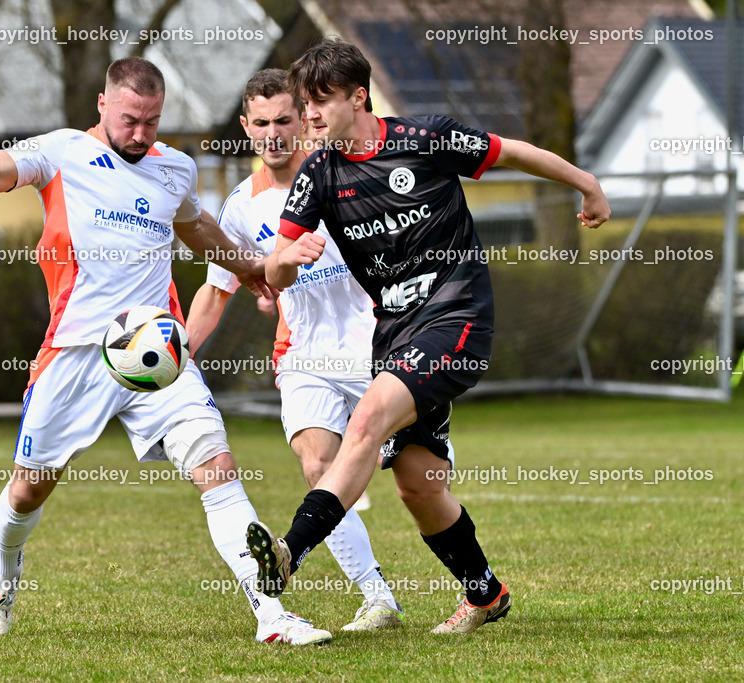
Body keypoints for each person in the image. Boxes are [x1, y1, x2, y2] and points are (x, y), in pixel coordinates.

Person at [0, 57, 332, 645]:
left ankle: (271, 616)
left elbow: (195, 227)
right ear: (103, 105)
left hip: (159, 348)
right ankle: (3, 573)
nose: (142, 134)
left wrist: (249, 266)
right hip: (76, 353)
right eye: (130, 120)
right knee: (29, 488)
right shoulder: (61, 152)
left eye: (152, 121)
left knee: (217, 467)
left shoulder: (174, 168)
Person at [246, 38, 611, 634]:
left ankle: (289, 553)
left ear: (358, 97)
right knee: (419, 485)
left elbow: (512, 151)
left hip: (456, 315)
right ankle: (485, 594)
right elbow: (275, 270)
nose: (308, 117)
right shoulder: (318, 173)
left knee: (364, 422)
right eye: (304, 106)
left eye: (319, 104)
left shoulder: (425, 140)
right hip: (394, 333)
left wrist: (585, 183)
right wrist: (291, 256)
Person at [186, 69, 401, 631]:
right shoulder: (238, 209)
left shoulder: (341, 174)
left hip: (378, 346)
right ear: (246, 127)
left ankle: (476, 587)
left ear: (302, 117)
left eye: (284, 119)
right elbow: (216, 291)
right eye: (261, 124)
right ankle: (378, 597)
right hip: (303, 355)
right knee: (317, 466)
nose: (274, 134)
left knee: (420, 481)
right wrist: (178, 353)